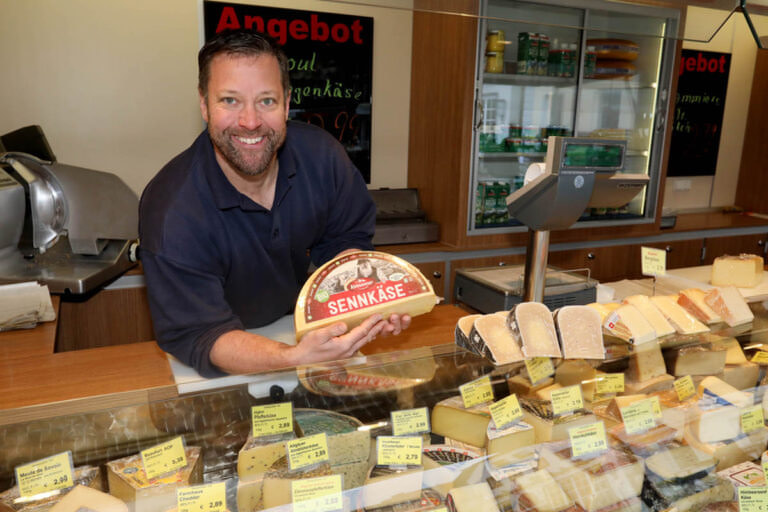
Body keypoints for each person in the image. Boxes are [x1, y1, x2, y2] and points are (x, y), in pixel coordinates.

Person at [139, 30, 410, 377]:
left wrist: (368, 299)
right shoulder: (172, 210)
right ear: (204, 105)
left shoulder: (323, 157)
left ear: (287, 102)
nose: (250, 122)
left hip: (298, 329)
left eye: (266, 101)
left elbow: (345, 242)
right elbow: (202, 334)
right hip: (219, 355)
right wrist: (293, 357)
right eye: (230, 101)